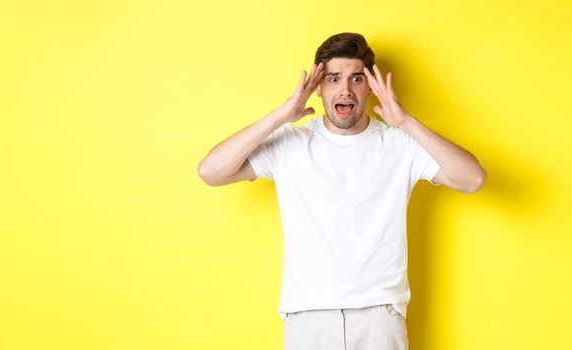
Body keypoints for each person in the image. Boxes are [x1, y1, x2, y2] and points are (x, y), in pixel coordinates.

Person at [196, 32, 487, 350]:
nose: (345, 89)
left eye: (356, 79)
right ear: (319, 88)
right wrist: (282, 115)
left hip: (379, 318)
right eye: (333, 79)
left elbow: (471, 179)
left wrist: (405, 121)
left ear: (371, 87)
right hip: (307, 318)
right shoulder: (290, 144)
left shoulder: (399, 144)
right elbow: (211, 171)